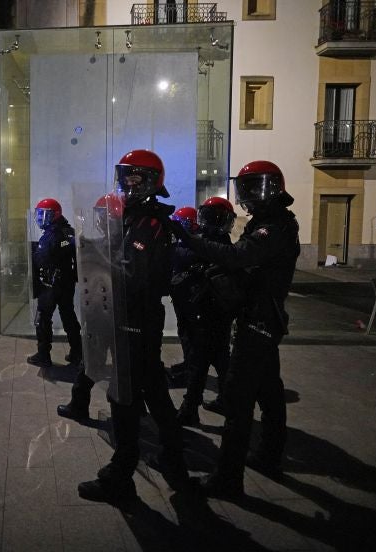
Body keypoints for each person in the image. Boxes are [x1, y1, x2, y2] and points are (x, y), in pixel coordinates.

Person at [172, 160, 300, 498]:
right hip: (263, 319)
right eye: (244, 188)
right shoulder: (272, 222)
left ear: (269, 188)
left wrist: (190, 240)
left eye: (251, 188)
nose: (247, 195)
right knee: (270, 391)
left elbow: (236, 256)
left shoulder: (272, 227)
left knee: (239, 399)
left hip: (258, 321)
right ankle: (270, 457)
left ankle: (228, 478)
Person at [78, 149, 189, 503]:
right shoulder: (136, 218)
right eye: (125, 176)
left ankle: (120, 476)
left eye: (137, 177)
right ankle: (174, 462)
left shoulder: (149, 223)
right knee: (154, 392)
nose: (129, 183)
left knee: (124, 398)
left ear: (153, 181)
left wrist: (98, 262)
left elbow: (133, 273)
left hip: (136, 320)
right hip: (133, 318)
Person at [57, 193, 123, 421]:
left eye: (102, 215)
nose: (99, 220)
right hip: (114, 314)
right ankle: (126, 407)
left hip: (105, 314)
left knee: (91, 365)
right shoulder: (117, 240)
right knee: (117, 365)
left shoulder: (117, 243)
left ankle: (81, 405)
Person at [173, 196, 238, 425]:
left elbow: (181, 256)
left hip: (204, 313)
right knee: (220, 359)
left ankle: (190, 408)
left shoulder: (202, 244)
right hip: (218, 313)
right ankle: (226, 401)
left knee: (198, 361)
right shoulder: (228, 247)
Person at [27, 198, 82, 369]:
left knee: (43, 319)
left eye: (45, 215)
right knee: (68, 316)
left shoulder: (52, 235)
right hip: (66, 284)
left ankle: (43, 355)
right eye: (40, 214)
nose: (41, 219)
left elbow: (42, 258)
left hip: (50, 286)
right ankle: (77, 353)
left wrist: (34, 253)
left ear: (55, 215)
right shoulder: (69, 232)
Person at [168, 206, 200, 386]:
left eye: (183, 223)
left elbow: (184, 256)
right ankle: (189, 364)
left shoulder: (195, 242)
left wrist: (170, 248)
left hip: (191, 296)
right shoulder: (184, 241)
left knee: (192, 335)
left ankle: (191, 370)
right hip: (182, 294)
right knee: (184, 332)